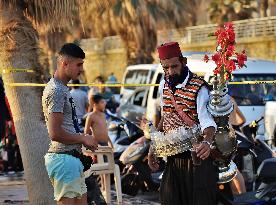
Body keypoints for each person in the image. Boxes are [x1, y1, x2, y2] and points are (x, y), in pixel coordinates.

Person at [148, 42, 218, 205]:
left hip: (196, 160)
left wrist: (207, 142)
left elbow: (207, 121)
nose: (171, 72)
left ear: (184, 62)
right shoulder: (164, 84)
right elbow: (166, 117)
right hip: (173, 159)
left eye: (174, 66)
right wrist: (153, 146)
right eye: (166, 68)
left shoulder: (199, 87)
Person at [42, 43, 98, 205]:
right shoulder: (56, 91)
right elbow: (55, 133)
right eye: (78, 64)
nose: (81, 69)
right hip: (63, 160)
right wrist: (83, 138)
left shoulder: (62, 88)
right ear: (64, 63)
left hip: (71, 160)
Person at [229, 97, 247, 195]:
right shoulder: (232, 100)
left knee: (230, 167)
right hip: (234, 135)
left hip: (224, 136)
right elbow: (243, 119)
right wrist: (234, 125)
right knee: (233, 167)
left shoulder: (214, 98)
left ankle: (240, 196)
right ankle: (241, 195)